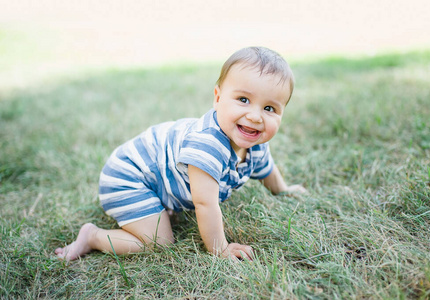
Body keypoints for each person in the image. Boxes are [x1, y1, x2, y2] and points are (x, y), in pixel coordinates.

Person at [55, 46, 306, 262]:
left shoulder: (255, 140)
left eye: (269, 108)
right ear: (217, 98)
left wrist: (282, 189)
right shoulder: (208, 146)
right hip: (128, 178)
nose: (255, 116)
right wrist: (220, 248)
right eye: (243, 99)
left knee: (162, 226)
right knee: (158, 241)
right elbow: (205, 204)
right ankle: (93, 236)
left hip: (153, 175)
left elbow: (266, 168)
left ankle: (162, 204)